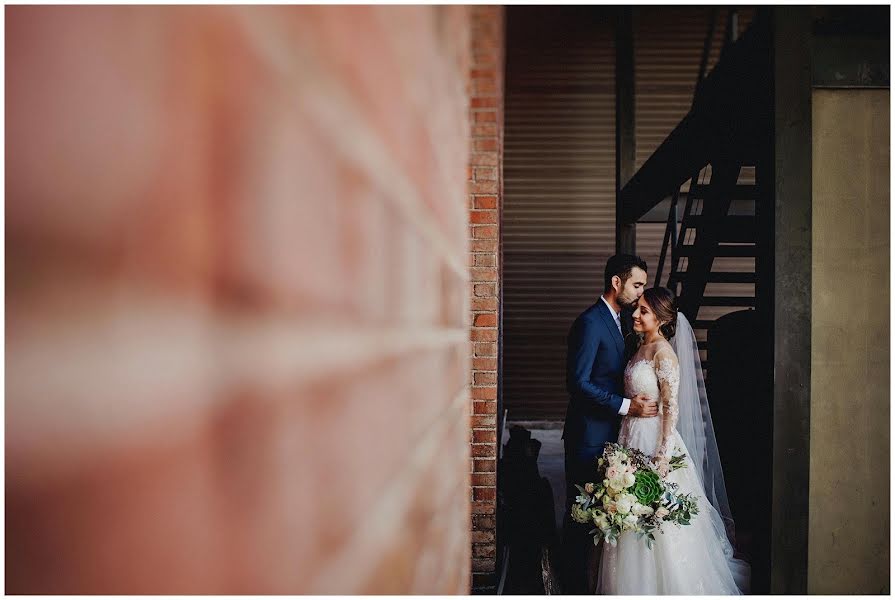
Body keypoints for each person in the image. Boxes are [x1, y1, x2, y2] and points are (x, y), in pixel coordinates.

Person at [596, 287, 751, 594]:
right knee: (627, 510)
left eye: (644, 311)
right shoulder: (641, 347)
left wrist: (663, 454)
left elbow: (671, 406)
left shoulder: (663, 353)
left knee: (654, 515)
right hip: (630, 435)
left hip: (654, 440)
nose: (636, 315)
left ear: (662, 319)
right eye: (637, 308)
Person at [561, 254, 658, 594]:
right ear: (617, 283)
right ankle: (569, 587)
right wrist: (626, 405)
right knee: (580, 519)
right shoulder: (590, 322)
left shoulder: (619, 320)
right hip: (587, 435)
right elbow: (578, 382)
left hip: (609, 436)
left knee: (599, 519)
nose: (640, 292)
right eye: (637, 285)